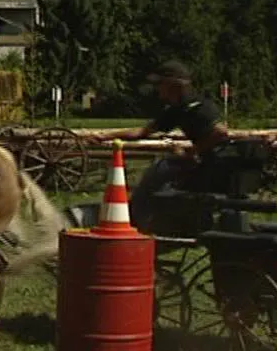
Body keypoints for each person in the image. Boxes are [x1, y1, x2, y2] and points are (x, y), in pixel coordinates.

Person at [94, 60, 229, 230]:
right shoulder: (178, 110)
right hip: (207, 162)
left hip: (214, 163)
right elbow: (142, 132)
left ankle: (139, 221)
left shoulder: (198, 106)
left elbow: (220, 132)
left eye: (160, 84)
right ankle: (149, 218)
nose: (157, 89)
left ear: (173, 85)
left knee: (158, 170)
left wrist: (193, 151)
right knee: (162, 169)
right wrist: (105, 136)